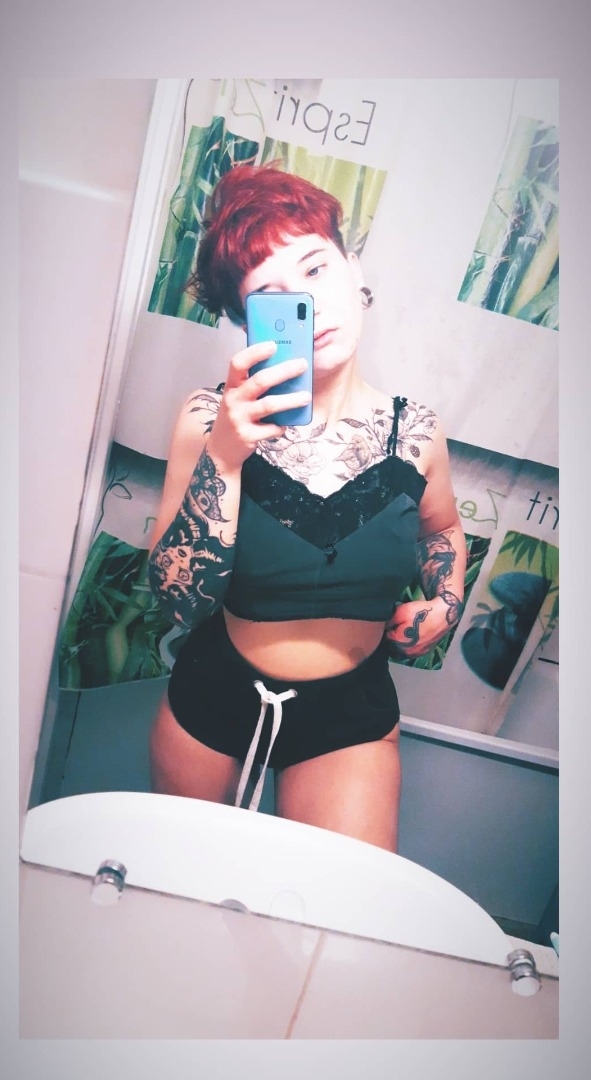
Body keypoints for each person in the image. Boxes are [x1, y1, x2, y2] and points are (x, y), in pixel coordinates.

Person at [147, 163, 466, 852]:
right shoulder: (206, 419)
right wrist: (224, 455)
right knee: (182, 891)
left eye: (317, 269)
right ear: (246, 324)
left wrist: (446, 600)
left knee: (341, 905)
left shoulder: (416, 431)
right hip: (214, 695)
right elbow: (175, 601)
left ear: (354, 272)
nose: (311, 304)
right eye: (274, 298)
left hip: (349, 716)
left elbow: (442, 530)